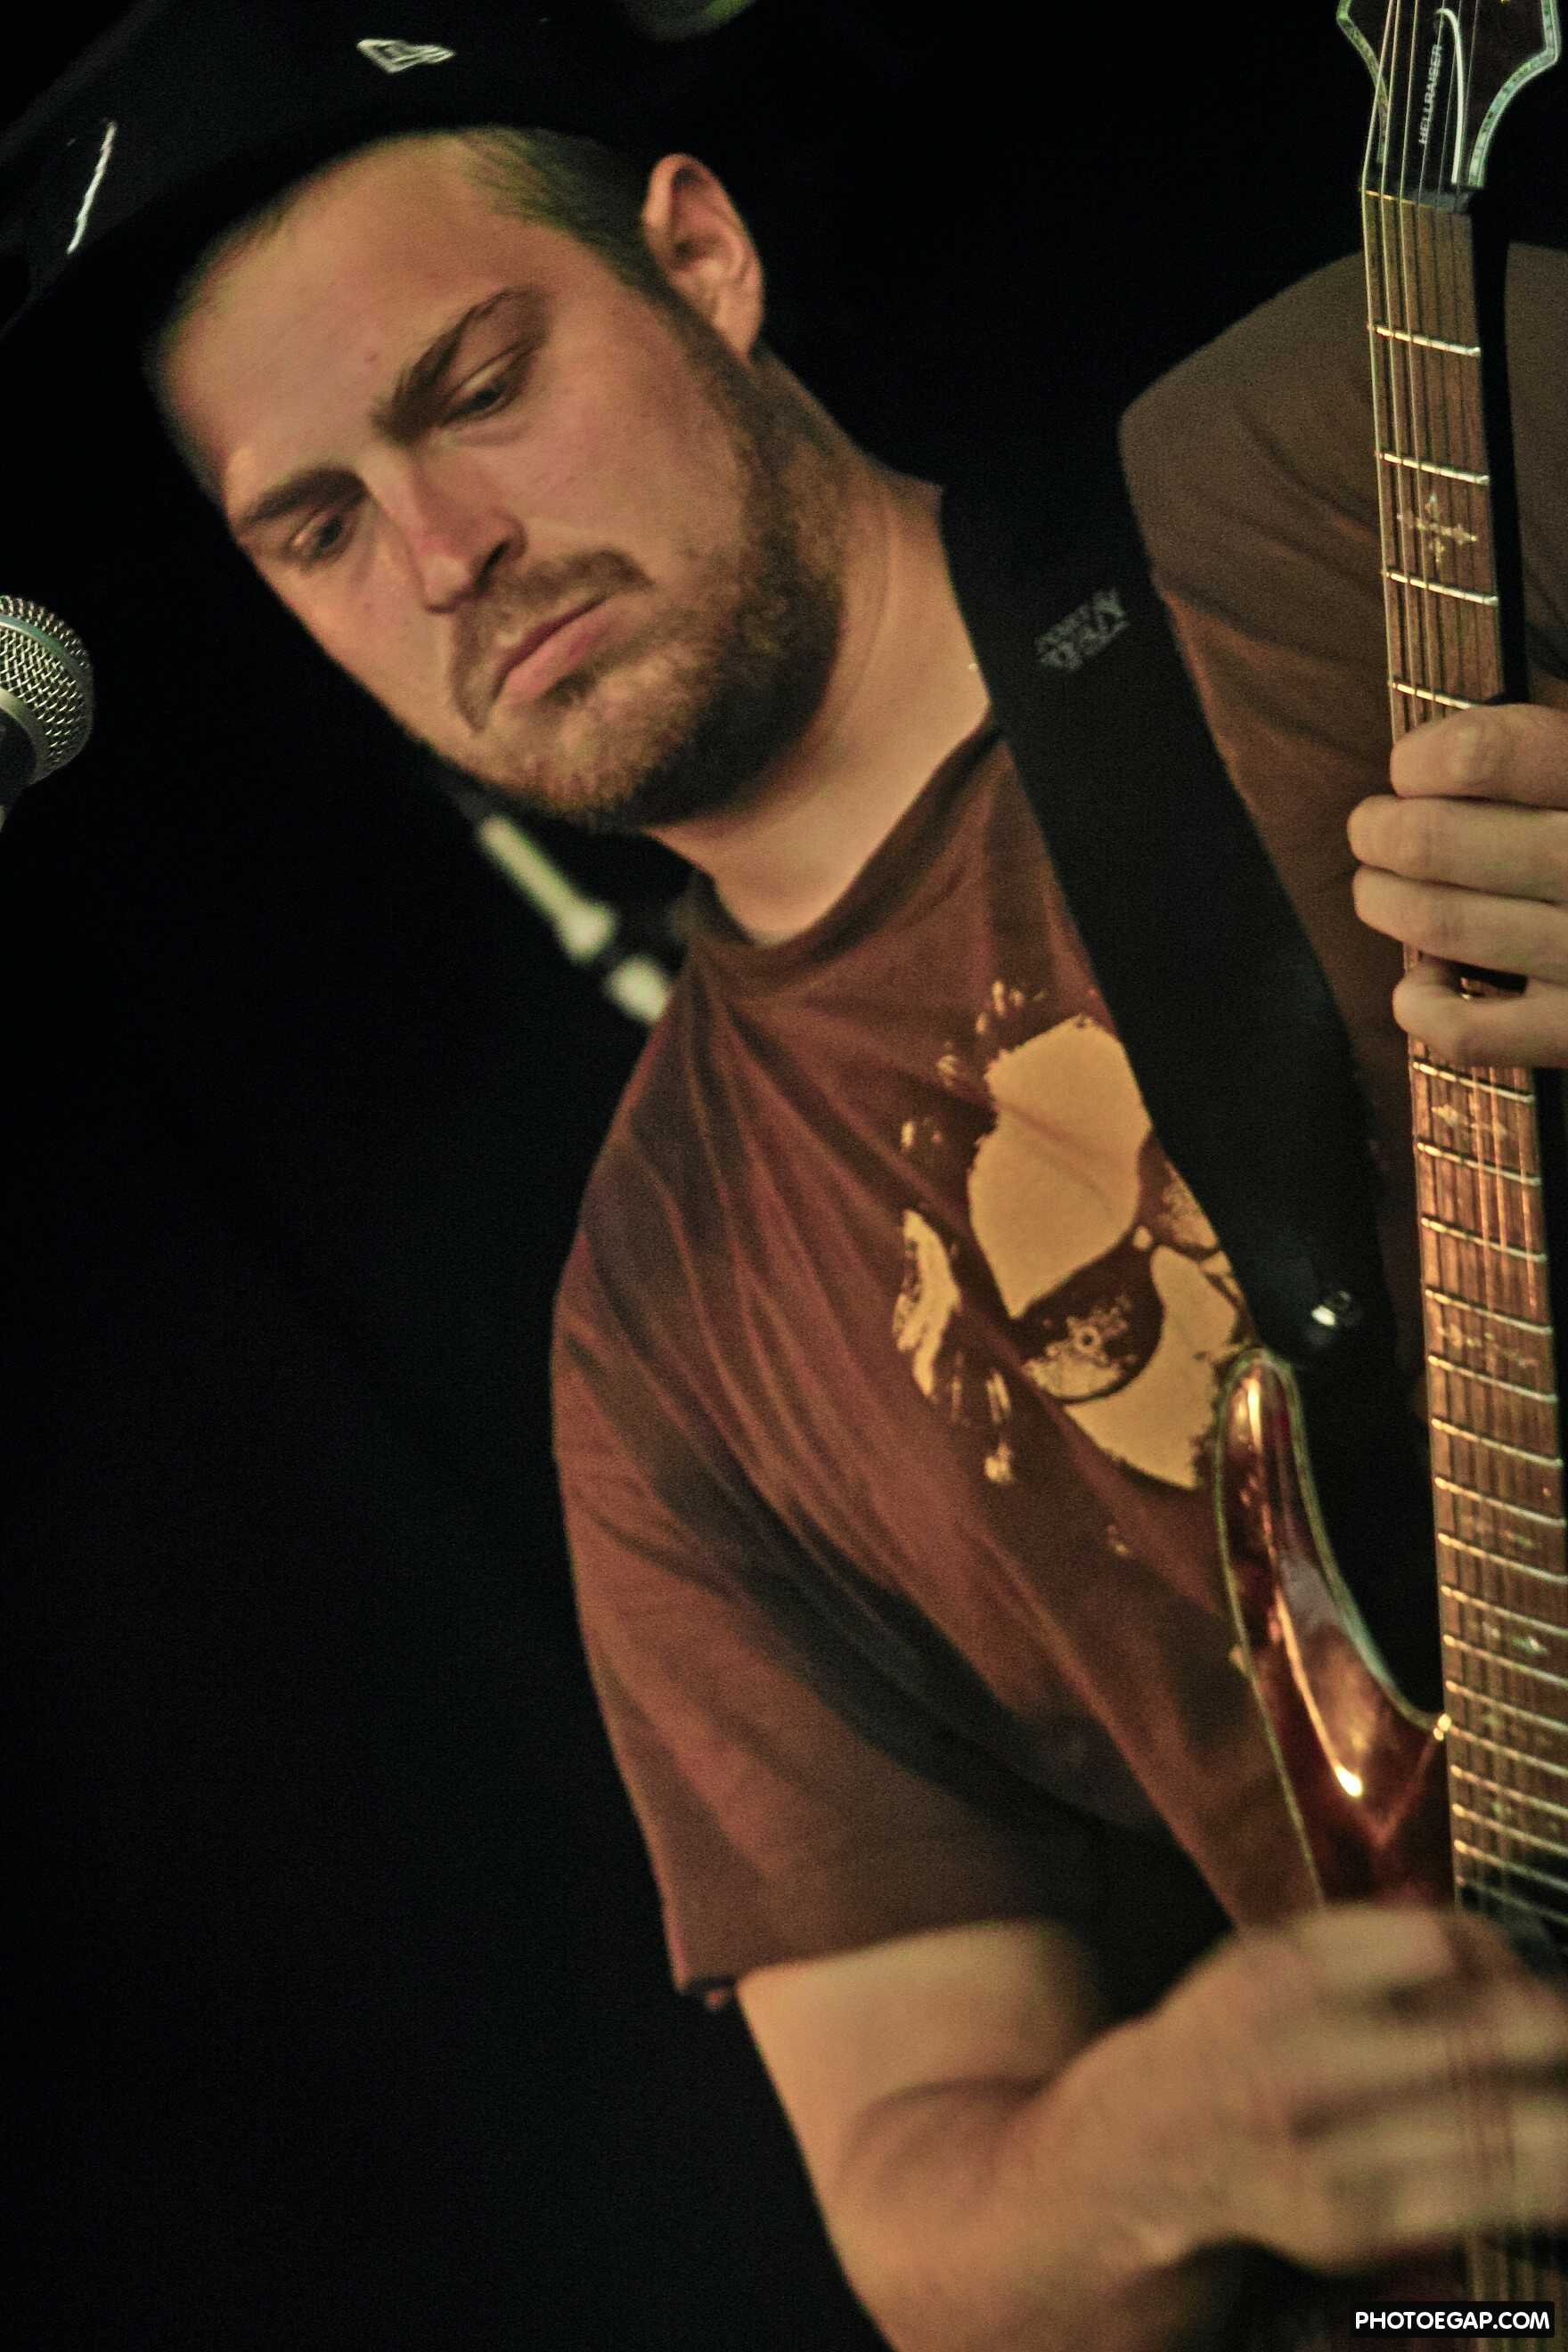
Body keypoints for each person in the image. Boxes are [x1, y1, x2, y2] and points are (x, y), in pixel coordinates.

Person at [12, 4, 1568, 2346]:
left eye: (478, 388)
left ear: (703, 257)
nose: (444, 555)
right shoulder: (662, 1329)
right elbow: (928, 2210)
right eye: (316, 529)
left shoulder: (1367, 444)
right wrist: (1174, 2142)